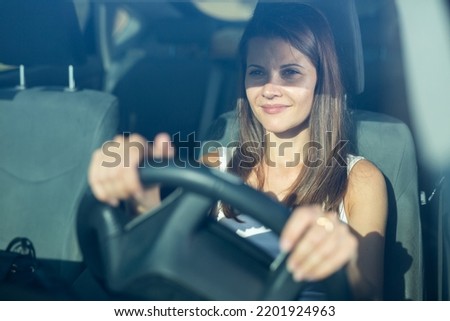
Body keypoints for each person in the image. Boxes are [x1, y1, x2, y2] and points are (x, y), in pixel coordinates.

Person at [88, 2, 387, 300]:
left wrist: (344, 259)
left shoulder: (359, 179)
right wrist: (142, 198)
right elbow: (170, 259)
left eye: (290, 73)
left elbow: (370, 300)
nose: (269, 88)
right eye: (257, 72)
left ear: (322, 79)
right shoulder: (214, 165)